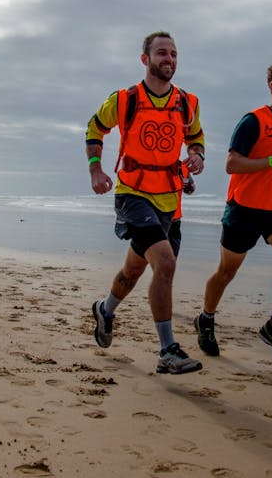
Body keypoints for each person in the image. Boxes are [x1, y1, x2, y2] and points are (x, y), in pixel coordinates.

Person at [85, 31, 205, 375]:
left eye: (174, 54)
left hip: (170, 199)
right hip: (133, 193)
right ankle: (168, 350)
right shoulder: (124, 100)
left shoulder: (187, 102)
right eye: (162, 53)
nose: (169, 59)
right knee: (165, 264)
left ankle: (105, 310)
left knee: (135, 270)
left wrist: (196, 156)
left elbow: (195, 137)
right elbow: (94, 129)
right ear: (146, 59)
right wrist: (96, 170)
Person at [195, 60, 272, 363]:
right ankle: (205, 320)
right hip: (243, 209)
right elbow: (232, 164)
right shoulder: (253, 121)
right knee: (226, 272)